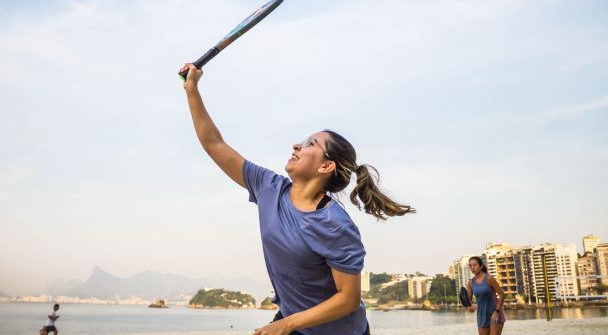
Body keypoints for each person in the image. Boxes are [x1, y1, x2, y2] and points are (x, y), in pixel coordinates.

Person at [180, 64, 414, 335]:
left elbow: (348, 299)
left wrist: (287, 323)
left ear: (327, 167)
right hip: (294, 323)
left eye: (311, 144)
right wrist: (192, 90)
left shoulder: (334, 224)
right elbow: (214, 144)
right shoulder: (269, 188)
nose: (297, 146)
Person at [467, 257, 505, 335]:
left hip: (494, 314)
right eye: (470, 266)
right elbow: (469, 302)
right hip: (481, 316)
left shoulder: (489, 278)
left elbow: (501, 295)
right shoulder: (470, 283)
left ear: (481, 266)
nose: (472, 267)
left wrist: (497, 311)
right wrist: (470, 307)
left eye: (474, 265)